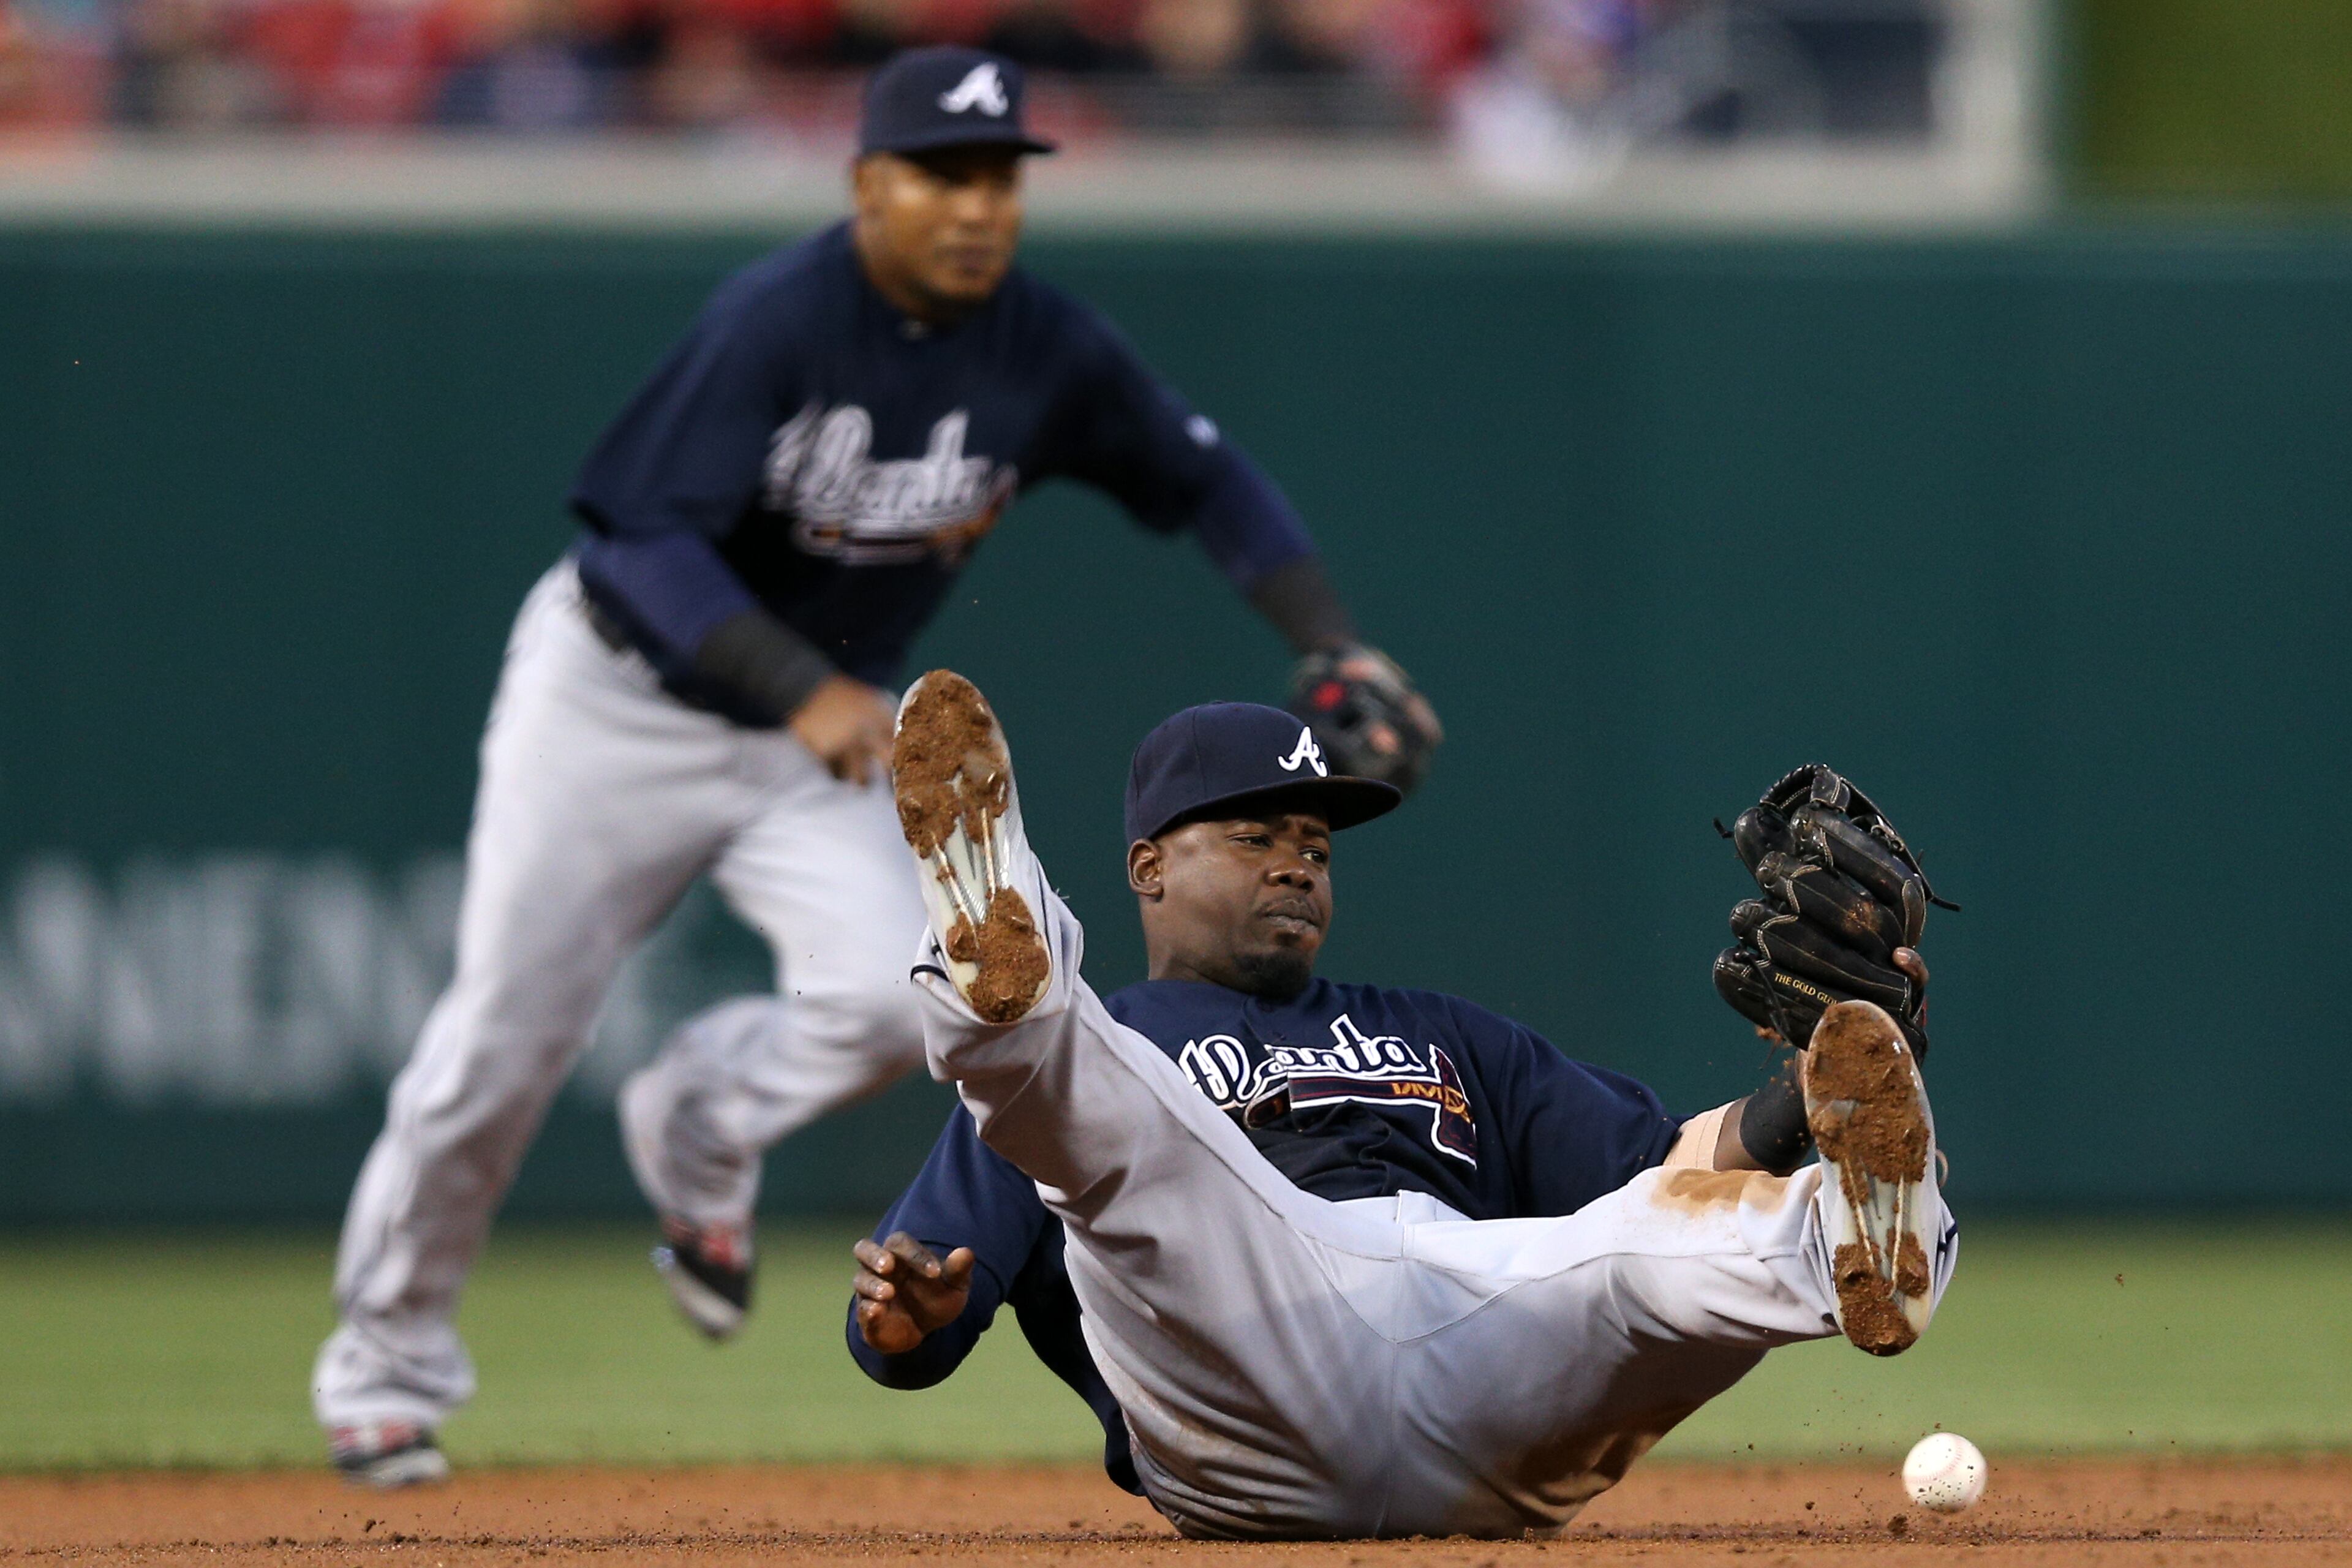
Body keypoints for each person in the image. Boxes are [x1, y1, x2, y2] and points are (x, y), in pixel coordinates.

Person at [311, 44, 1438, 1487]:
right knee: (503, 1042)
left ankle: (702, 1114)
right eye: (941, 175)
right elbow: (637, 543)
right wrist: (799, 688)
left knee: (895, 991)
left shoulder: (1044, 346)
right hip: (621, 700)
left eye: (999, 177)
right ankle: (383, 1375)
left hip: (824, 718)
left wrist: (1328, 642)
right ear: (866, 186)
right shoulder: (778, 322)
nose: (976, 207)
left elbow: (1202, 476)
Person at [856, 675, 1954, 1539]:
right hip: (1236, 1392)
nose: (1296, 865)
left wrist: (1814, 1090)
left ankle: (1852, 1235)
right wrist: (907, 1318)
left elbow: (1667, 1165)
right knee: (1116, 1111)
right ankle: (1001, 966)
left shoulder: (1442, 1029)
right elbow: (905, 1336)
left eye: (1316, 848)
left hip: (1482, 1381)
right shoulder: (1127, 1051)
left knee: (1638, 1251)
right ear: (1148, 867)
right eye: (1255, 838)